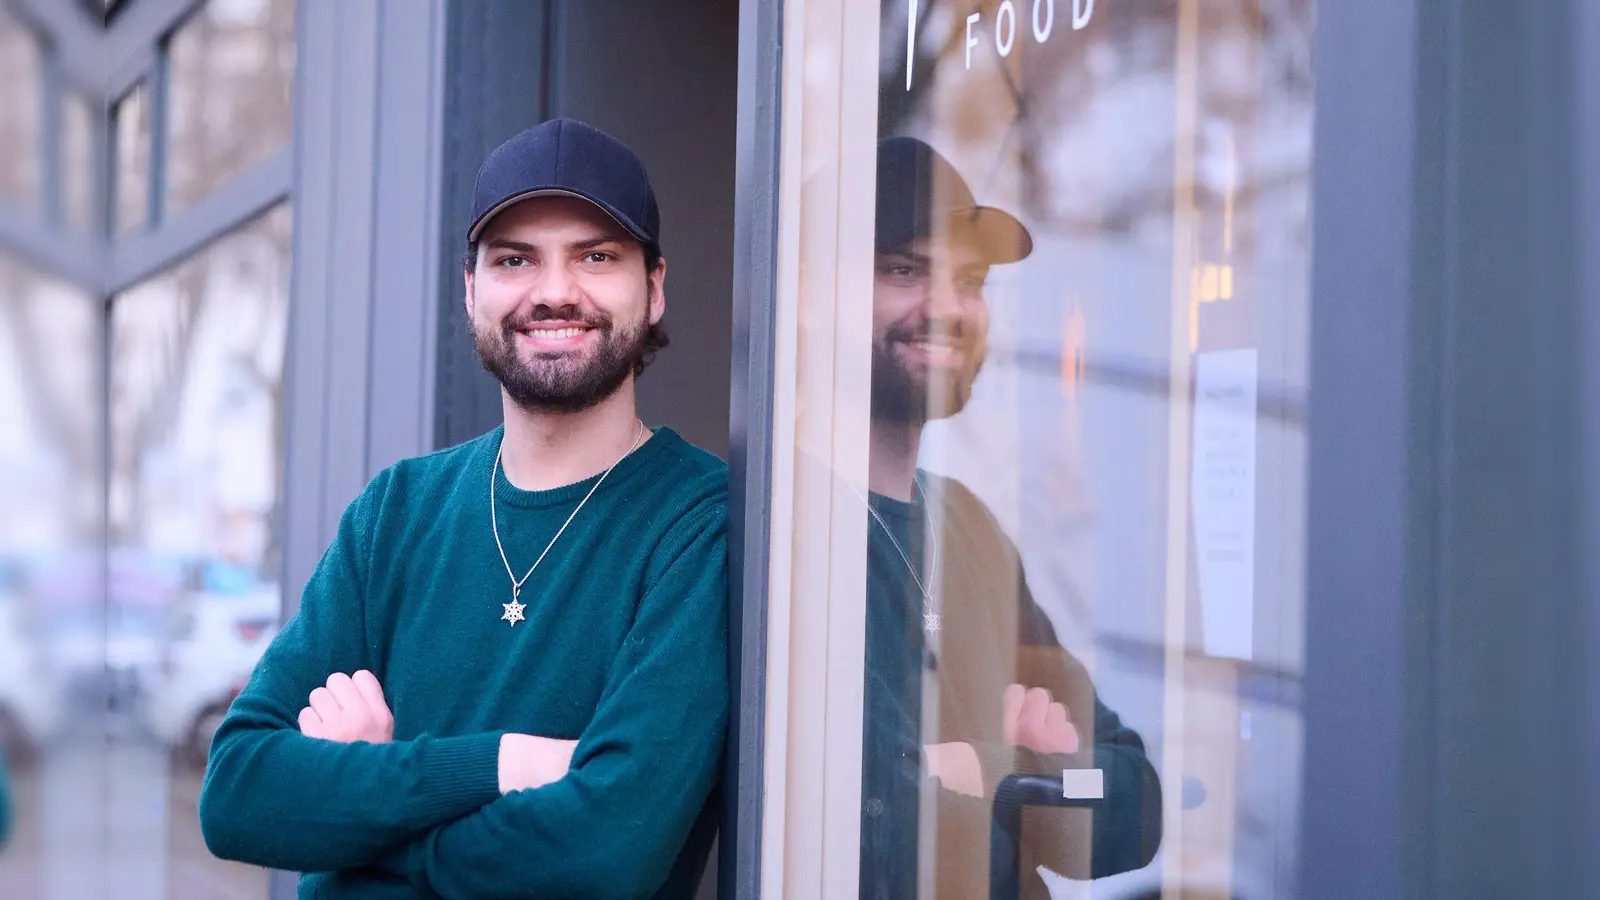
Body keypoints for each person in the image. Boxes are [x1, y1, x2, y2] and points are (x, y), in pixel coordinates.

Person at [200, 118, 729, 899]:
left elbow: (604, 852)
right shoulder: (397, 511)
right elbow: (239, 793)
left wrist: (361, 816)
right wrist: (503, 763)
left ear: (653, 289)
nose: (554, 291)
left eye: (596, 256)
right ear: (472, 291)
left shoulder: (700, 520)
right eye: (515, 260)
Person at [854, 137, 1162, 899]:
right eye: (903, 270)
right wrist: (1024, 770)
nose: (949, 309)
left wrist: (987, 769)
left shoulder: (969, 532)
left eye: (971, 279)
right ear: (807, 290)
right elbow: (876, 822)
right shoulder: (770, 529)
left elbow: (1133, 806)